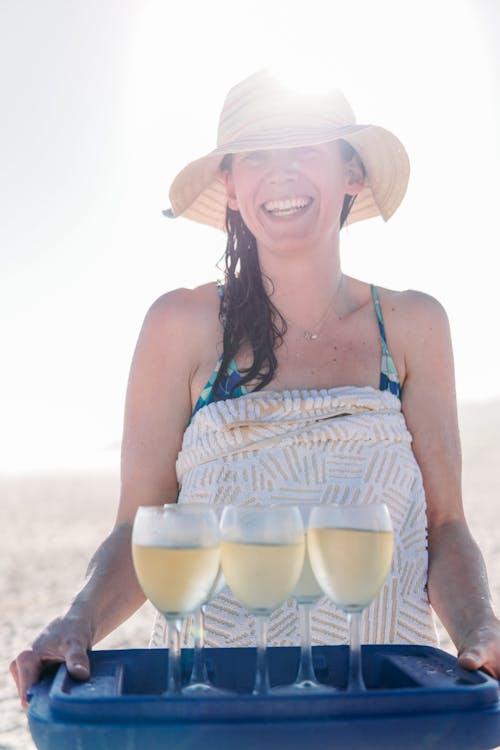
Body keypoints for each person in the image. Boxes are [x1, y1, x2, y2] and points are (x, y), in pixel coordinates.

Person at [11, 69, 500, 707]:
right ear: (232, 188)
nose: (281, 173)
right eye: (257, 156)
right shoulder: (178, 327)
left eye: (304, 149)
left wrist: (479, 627)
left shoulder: (412, 326)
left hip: (380, 702)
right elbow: (141, 531)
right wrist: (76, 621)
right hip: (214, 706)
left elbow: (446, 527)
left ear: (351, 173)